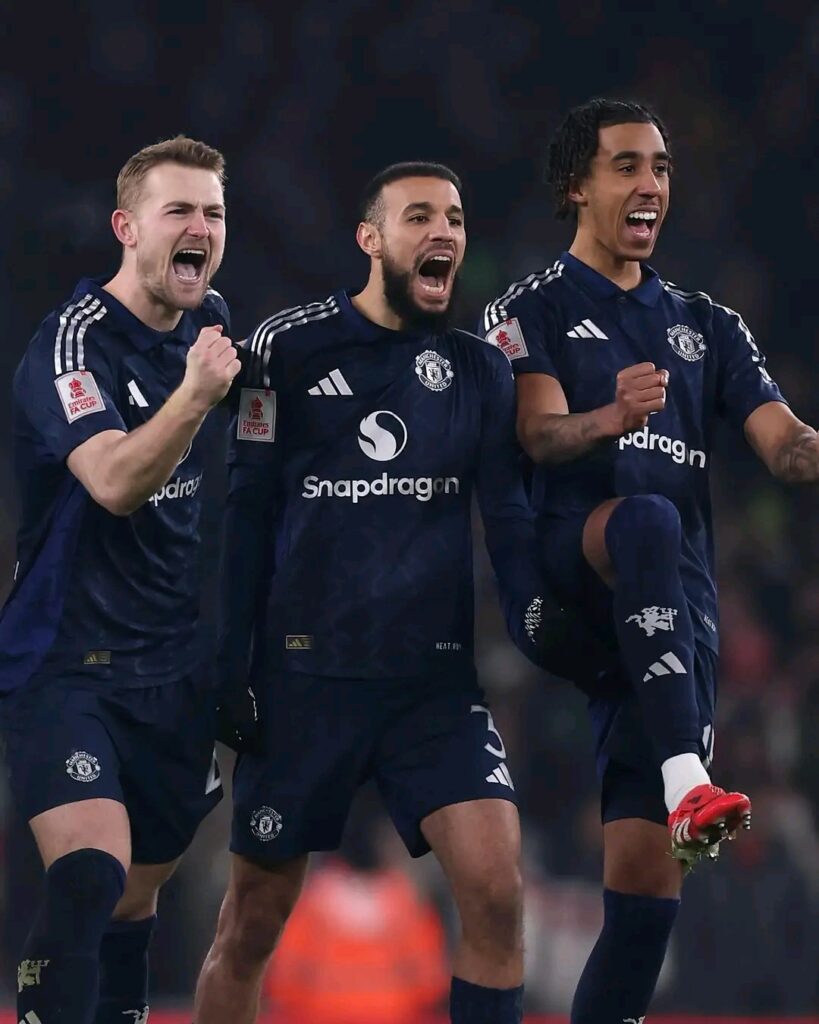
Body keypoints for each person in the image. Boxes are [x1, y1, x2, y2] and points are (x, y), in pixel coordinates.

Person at [194, 161, 574, 1024]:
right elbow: (245, 518)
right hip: (303, 686)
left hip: (430, 689)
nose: (443, 231)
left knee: (493, 885)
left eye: (455, 216)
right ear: (370, 240)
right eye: (418, 217)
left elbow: (508, 521)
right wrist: (231, 671)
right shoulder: (285, 349)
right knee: (250, 926)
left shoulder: (479, 369)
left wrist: (536, 616)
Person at [482, 96, 818, 1024]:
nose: (650, 184)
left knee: (639, 908)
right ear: (575, 187)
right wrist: (611, 419)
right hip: (572, 570)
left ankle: (676, 784)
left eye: (661, 167)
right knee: (646, 523)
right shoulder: (530, 306)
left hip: (670, 615)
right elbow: (541, 436)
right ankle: (686, 779)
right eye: (626, 164)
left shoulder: (706, 325)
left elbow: (785, 447)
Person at [0, 135, 240, 1024]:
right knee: (90, 874)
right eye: (178, 210)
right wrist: (193, 397)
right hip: (64, 663)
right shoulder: (69, 344)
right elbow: (112, 483)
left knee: (135, 906)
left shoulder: (213, 320)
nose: (200, 228)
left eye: (213, 213)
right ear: (126, 228)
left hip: (173, 672)